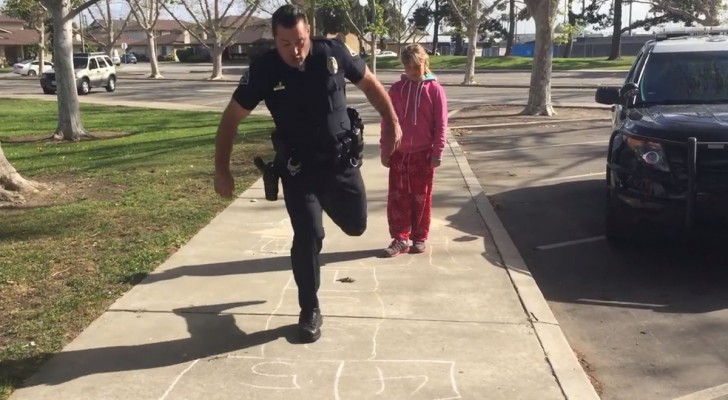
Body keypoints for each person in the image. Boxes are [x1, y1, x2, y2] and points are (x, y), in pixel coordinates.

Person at [213, 4, 402, 343]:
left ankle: (327, 202)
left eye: (300, 41)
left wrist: (392, 120)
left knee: (357, 226)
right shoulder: (264, 70)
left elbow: (371, 84)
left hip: (341, 165)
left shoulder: (333, 53)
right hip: (299, 170)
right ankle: (309, 309)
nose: (295, 50)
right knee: (309, 235)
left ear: (308, 32)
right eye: (286, 44)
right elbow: (230, 120)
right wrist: (222, 170)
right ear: (274, 40)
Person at [380, 43, 448, 258]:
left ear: (425, 63)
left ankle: (419, 236)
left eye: (416, 69)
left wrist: (438, 151)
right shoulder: (398, 89)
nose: (412, 74)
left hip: (424, 154)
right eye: (408, 69)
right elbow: (387, 121)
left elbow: (441, 123)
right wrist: (386, 148)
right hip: (400, 153)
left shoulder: (434, 89)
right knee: (398, 197)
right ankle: (400, 237)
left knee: (421, 197)